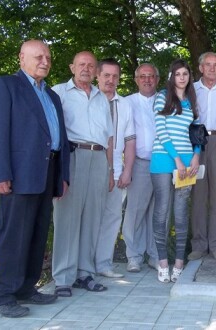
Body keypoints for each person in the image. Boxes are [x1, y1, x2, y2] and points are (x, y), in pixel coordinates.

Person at [0, 40, 70, 317]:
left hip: (47, 172)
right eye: (38, 56)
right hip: (18, 175)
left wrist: (62, 175)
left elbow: (60, 139)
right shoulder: (6, 86)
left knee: (37, 233)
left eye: (48, 57)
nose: (44, 61)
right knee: (14, 236)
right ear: (21, 58)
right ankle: (3, 295)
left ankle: (26, 288)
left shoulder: (52, 95)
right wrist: (0, 173)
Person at [51, 51, 114, 297]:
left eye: (91, 65)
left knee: (92, 217)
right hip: (73, 156)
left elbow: (109, 137)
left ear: (96, 70)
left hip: (99, 158)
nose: (86, 68)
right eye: (81, 64)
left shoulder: (101, 98)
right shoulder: (58, 93)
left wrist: (110, 170)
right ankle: (63, 278)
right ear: (71, 67)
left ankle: (84, 273)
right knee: (67, 217)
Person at [151, 59, 201, 283]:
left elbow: (196, 131)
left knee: (181, 214)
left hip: (188, 165)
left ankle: (179, 263)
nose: (182, 77)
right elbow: (161, 131)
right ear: (171, 76)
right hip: (163, 161)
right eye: (177, 74)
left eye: (185, 74)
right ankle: (163, 263)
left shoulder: (191, 100)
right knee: (161, 213)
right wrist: (177, 159)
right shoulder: (162, 97)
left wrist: (196, 155)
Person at [189, 52, 216, 262]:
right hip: (195, 144)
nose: (212, 69)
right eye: (208, 65)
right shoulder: (190, 90)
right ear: (201, 68)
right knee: (198, 195)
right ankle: (198, 244)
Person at [95, 58, 136, 278]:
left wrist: (127, 170)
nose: (111, 80)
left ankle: (103, 264)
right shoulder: (89, 100)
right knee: (89, 218)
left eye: (115, 76)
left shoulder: (125, 104)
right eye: (106, 75)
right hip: (90, 167)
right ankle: (83, 265)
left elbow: (130, 141)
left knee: (112, 218)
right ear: (97, 76)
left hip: (117, 170)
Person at [123, 63, 161, 272]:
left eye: (151, 76)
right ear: (136, 80)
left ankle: (155, 255)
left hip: (163, 163)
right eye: (143, 76)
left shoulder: (166, 101)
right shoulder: (127, 103)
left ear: (157, 79)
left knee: (159, 212)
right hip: (139, 163)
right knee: (135, 211)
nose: (147, 80)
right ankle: (134, 256)